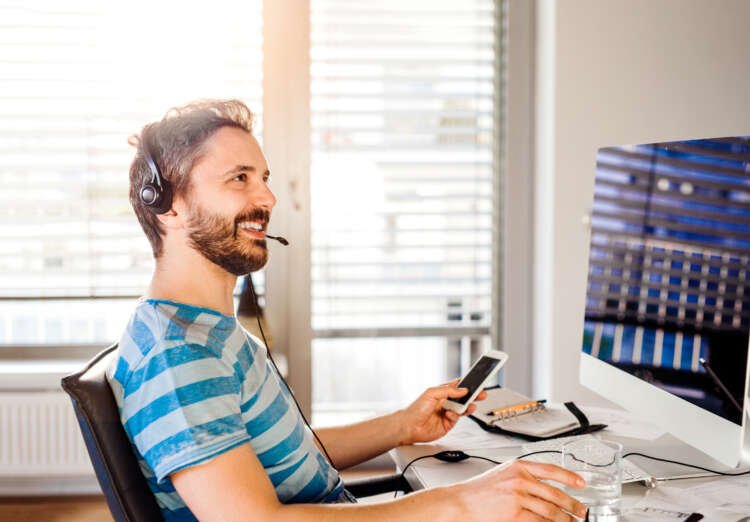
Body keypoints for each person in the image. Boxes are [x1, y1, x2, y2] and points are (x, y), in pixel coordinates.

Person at [108, 99, 588, 522]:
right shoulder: (180, 356)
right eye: (239, 179)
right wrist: (461, 505)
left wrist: (404, 424)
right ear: (165, 203)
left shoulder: (208, 332)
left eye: (264, 178)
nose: (268, 198)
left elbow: (283, 457)